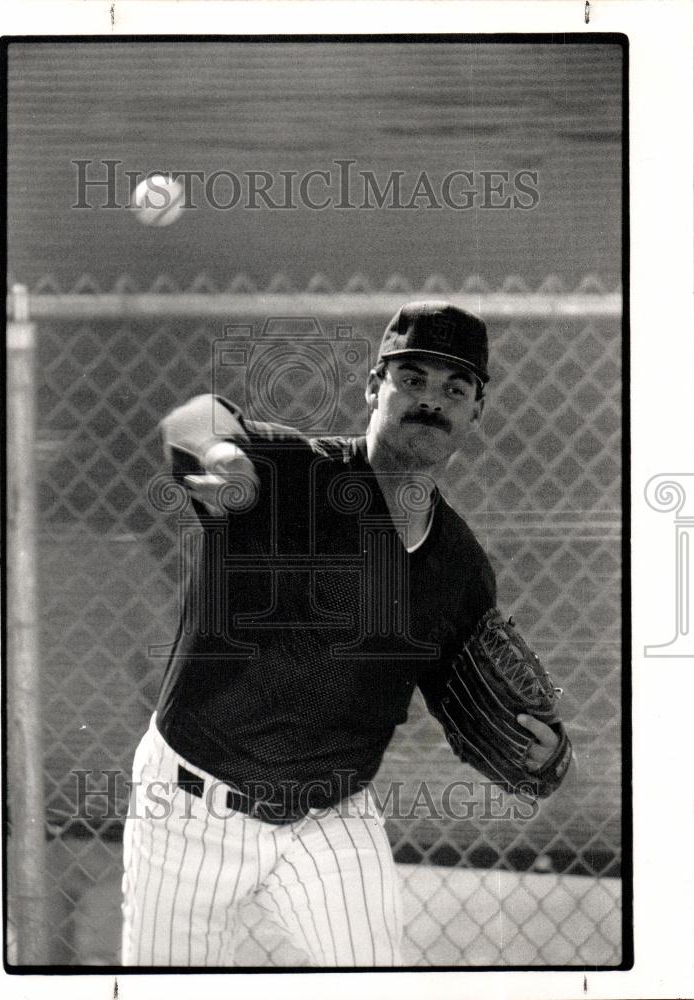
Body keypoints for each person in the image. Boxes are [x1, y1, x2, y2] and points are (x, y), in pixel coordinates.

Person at [121, 301, 563, 967]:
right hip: (190, 802)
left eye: (455, 389)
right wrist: (215, 455)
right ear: (372, 387)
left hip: (332, 818)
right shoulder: (289, 473)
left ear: (477, 413)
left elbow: (467, 697)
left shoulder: (460, 567)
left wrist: (541, 747)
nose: (431, 402)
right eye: (411, 379)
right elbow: (193, 421)